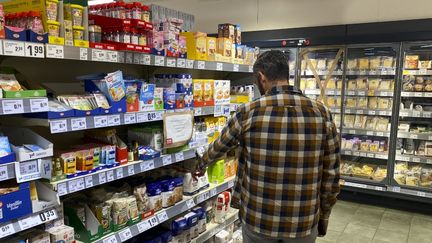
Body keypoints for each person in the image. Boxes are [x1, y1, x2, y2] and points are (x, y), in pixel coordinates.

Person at [196, 50, 340, 243]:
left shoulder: (248, 112)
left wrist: (200, 164)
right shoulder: (322, 113)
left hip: (258, 220)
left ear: (261, 77)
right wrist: (324, 215)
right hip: (302, 223)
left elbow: (218, 148)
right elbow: (331, 175)